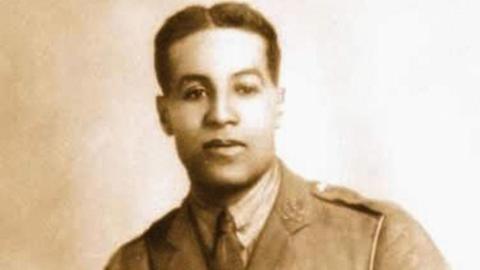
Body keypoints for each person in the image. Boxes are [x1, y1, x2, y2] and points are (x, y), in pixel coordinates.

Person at [106, 2, 449, 269]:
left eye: (244, 89)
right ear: (165, 114)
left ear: (277, 104)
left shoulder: (378, 241)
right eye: (195, 93)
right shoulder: (133, 264)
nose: (221, 114)